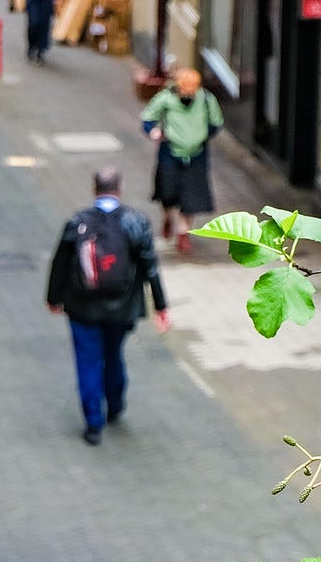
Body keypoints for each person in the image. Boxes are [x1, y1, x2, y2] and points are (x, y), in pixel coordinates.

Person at [46, 168, 171, 443]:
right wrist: (161, 306)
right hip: (122, 309)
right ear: (119, 189)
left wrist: (54, 298)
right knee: (113, 355)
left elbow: (60, 263)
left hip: (82, 308)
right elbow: (150, 266)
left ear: (94, 189)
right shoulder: (135, 222)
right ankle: (114, 405)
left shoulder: (77, 222)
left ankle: (93, 423)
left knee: (88, 361)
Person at [140, 67, 224, 254]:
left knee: (191, 196)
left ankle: (183, 232)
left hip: (197, 155)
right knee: (168, 193)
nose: (187, 94)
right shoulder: (165, 99)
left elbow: (216, 123)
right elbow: (147, 118)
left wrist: (200, 137)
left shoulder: (206, 99)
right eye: (184, 90)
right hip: (170, 153)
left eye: (191, 90)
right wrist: (153, 131)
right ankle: (168, 218)